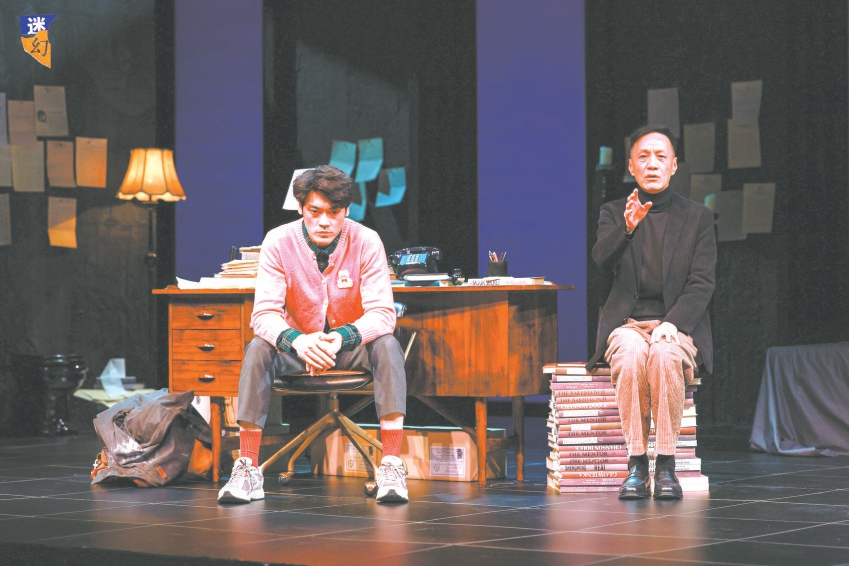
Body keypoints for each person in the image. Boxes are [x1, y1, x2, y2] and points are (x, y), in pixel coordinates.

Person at [218, 165, 409, 505]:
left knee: (388, 344)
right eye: (315, 211)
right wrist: (299, 341)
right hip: (297, 350)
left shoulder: (366, 241)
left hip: (348, 349)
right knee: (258, 347)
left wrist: (340, 338)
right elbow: (263, 315)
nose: (324, 221)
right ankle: (247, 468)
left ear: (346, 210)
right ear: (301, 208)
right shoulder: (278, 241)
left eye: (334, 212)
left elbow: (382, 314)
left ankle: (392, 465)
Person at [587, 124, 716, 500]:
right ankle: (637, 464)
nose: (652, 163)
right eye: (643, 157)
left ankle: (666, 466)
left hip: (678, 327)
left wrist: (672, 323)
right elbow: (600, 260)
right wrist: (627, 228)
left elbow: (702, 283)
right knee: (630, 352)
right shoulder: (615, 213)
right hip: (628, 324)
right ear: (631, 166)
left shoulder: (697, 217)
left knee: (663, 354)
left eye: (661, 156)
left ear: (674, 165)